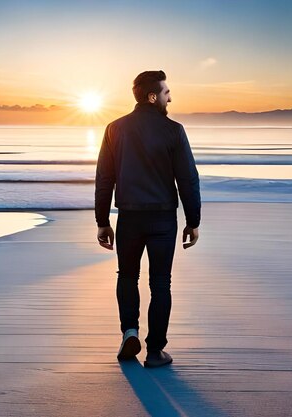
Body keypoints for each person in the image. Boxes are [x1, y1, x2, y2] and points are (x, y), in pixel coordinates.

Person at [94, 70, 201, 368]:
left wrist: (102, 220)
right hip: (163, 220)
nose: (171, 97)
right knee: (160, 283)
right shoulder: (174, 130)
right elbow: (188, 179)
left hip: (128, 217)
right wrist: (193, 220)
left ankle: (130, 331)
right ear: (153, 96)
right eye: (167, 92)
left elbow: (104, 178)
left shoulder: (114, 128)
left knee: (127, 277)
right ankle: (155, 351)